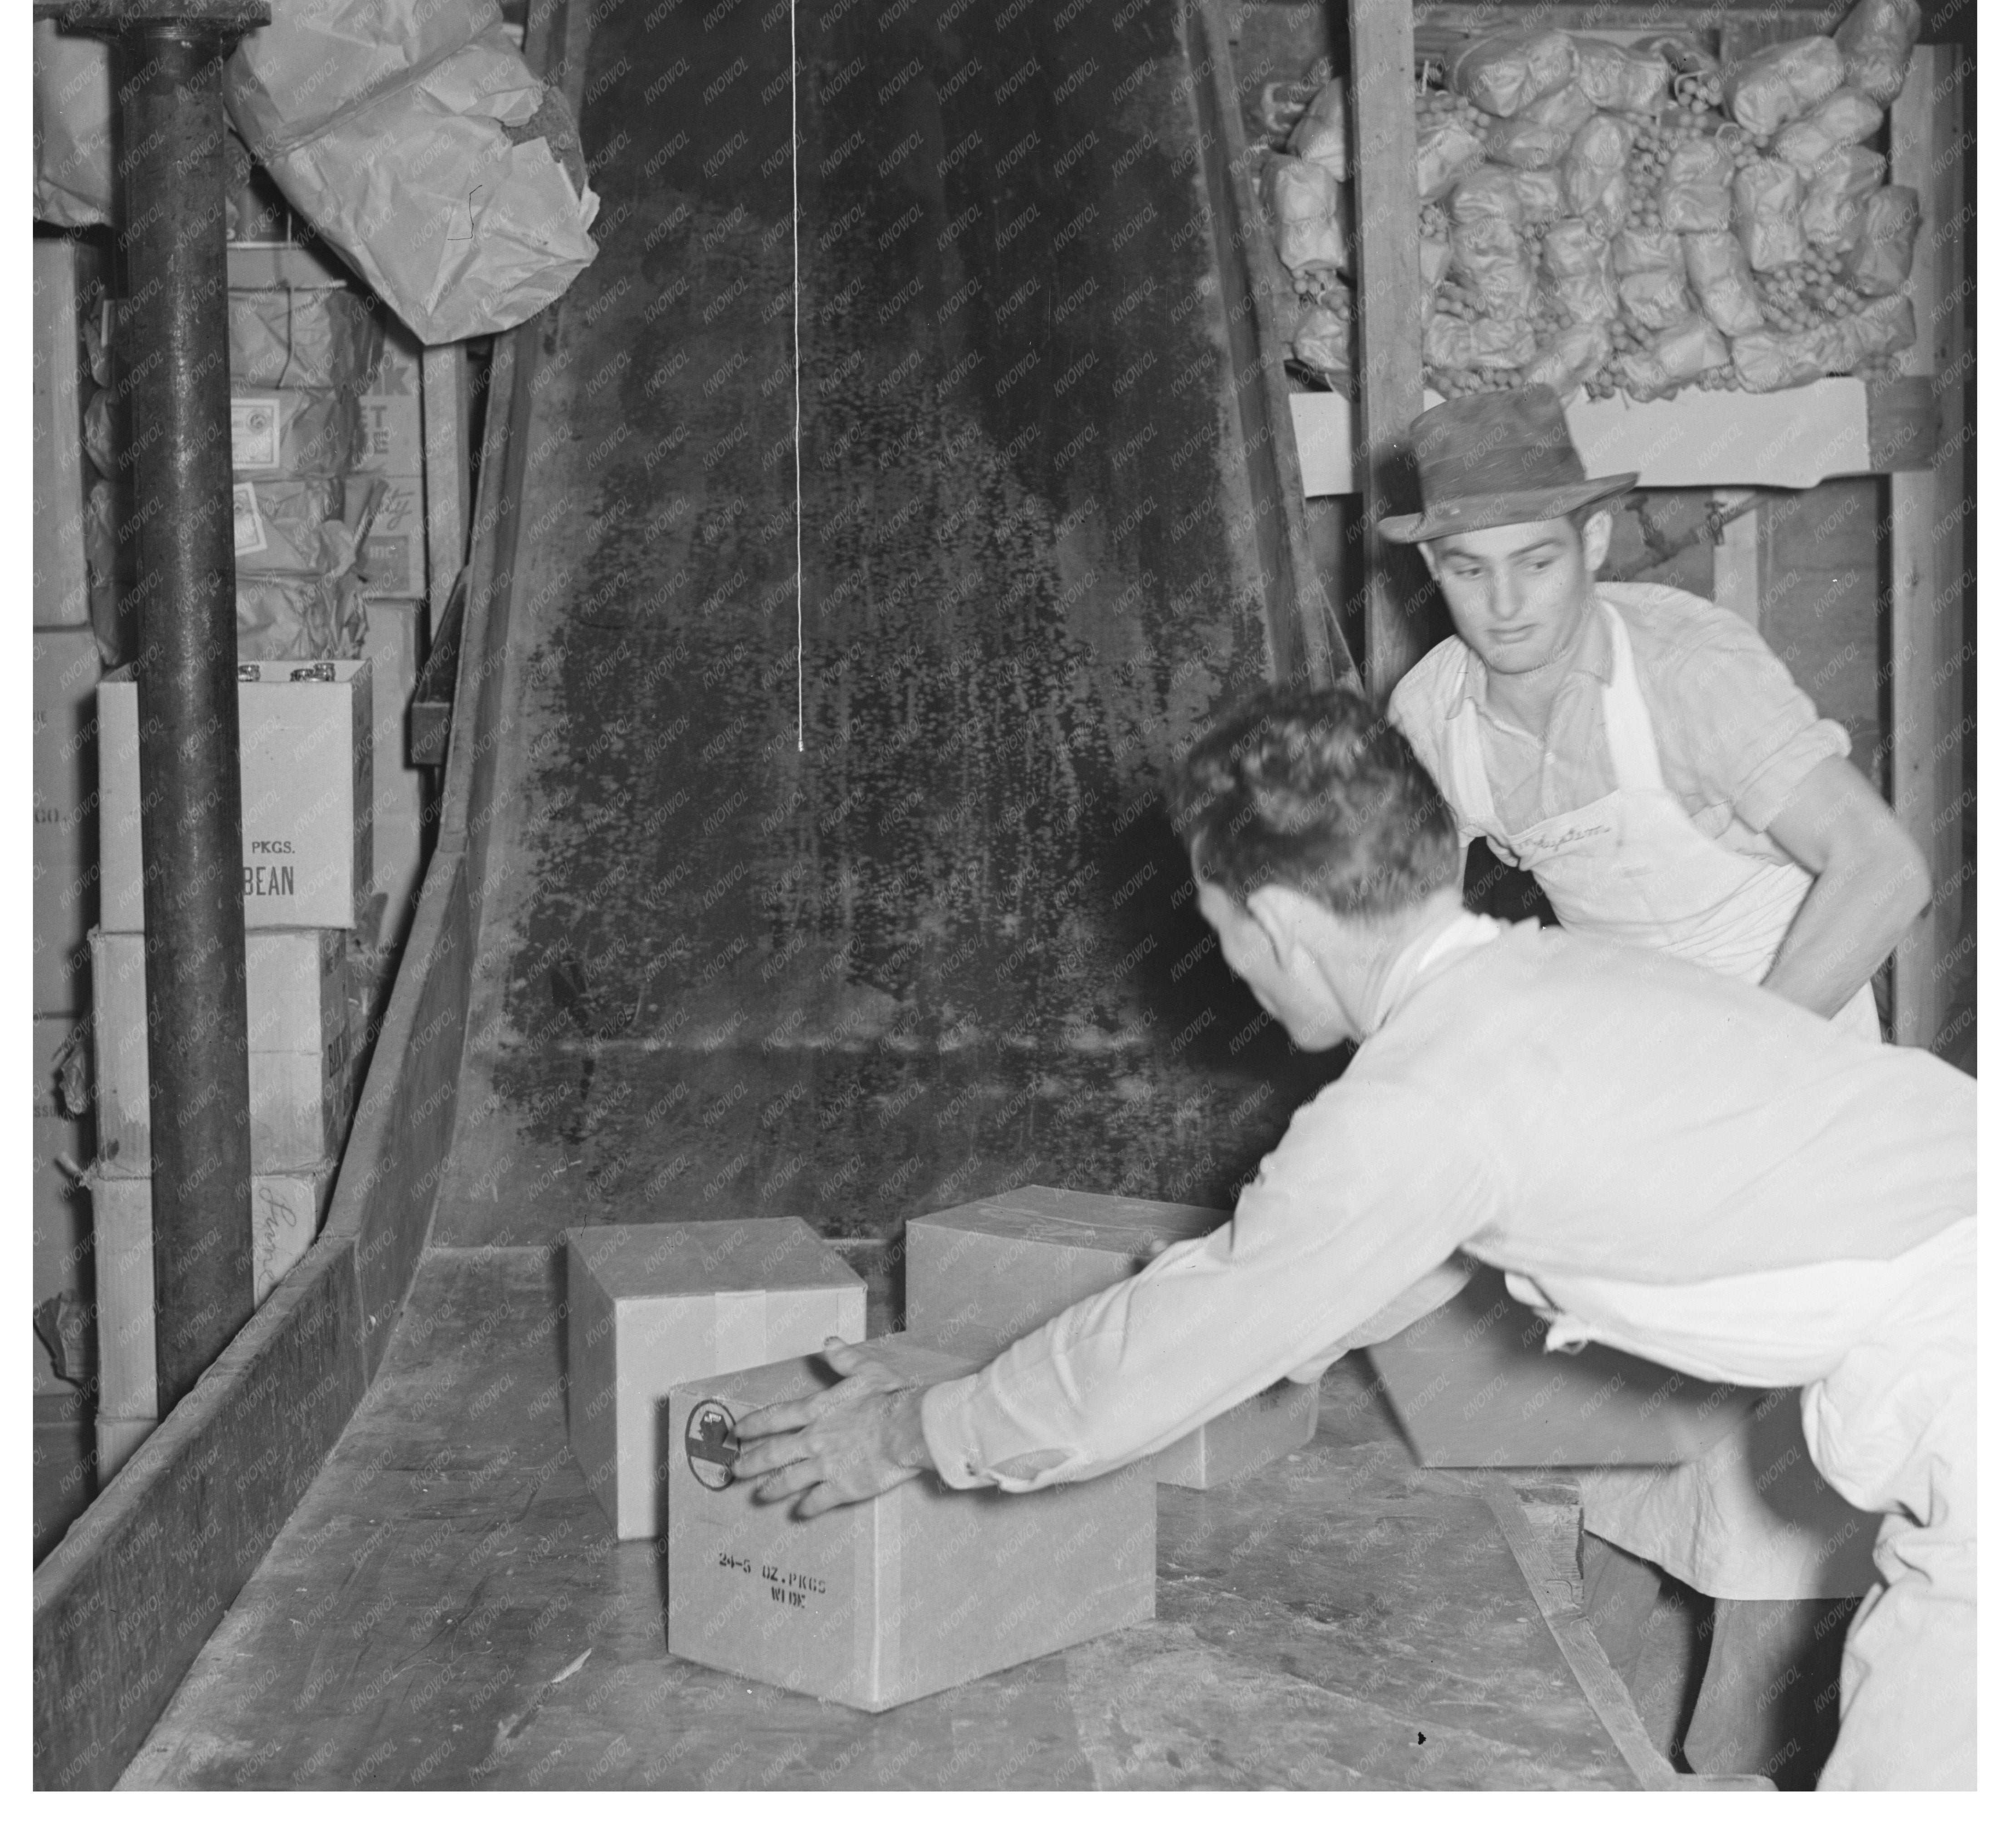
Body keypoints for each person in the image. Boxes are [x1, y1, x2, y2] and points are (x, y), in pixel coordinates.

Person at [734, 686, 1974, 1793]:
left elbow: (1177, 1343)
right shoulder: (1545, 986)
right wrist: (1268, 1347)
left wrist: (907, 1435)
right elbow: (1375, 1263)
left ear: (1274, 918)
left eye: (1219, 928)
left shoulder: (1419, 1100)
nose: (1232, 967)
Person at [1378, 386, 1933, 1777]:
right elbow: (1415, 947)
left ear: (1601, 538)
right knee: (1631, 1456)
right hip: (1638, 1076)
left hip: (1794, 1053)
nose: (1505, 606)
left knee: (1777, 1492)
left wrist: (1732, 1075)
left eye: (1539, 560)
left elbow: (1883, 874)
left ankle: (1732, 1772)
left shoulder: (1691, 672)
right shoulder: (1435, 711)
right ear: (1429, 572)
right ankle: (1610, 1762)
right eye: (1468, 569)